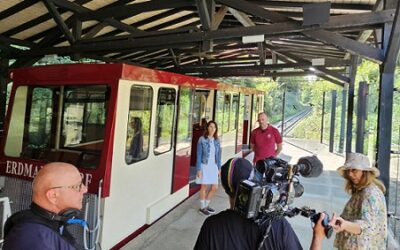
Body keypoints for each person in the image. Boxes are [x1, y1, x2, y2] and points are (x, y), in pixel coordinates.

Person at [194, 157, 329, 250]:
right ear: (253, 181)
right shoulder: (278, 225)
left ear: (225, 187)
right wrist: (318, 236)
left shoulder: (211, 226)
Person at [3, 162, 88, 250]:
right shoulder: (34, 238)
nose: (85, 189)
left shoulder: (50, 226)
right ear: (53, 196)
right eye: (78, 186)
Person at [331, 152, 387, 250]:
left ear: (365, 172)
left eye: (354, 170)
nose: (350, 174)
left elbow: (367, 227)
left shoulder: (369, 194)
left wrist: (345, 225)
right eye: (348, 171)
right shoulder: (365, 190)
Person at [196, 120, 221, 216]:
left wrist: (219, 168)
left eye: (214, 127)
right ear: (207, 128)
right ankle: (202, 207)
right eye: (210, 126)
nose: (212, 129)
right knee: (204, 186)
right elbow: (199, 155)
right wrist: (198, 169)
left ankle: (206, 205)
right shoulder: (202, 139)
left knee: (215, 187)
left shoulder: (217, 141)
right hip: (204, 165)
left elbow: (218, 156)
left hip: (213, 166)